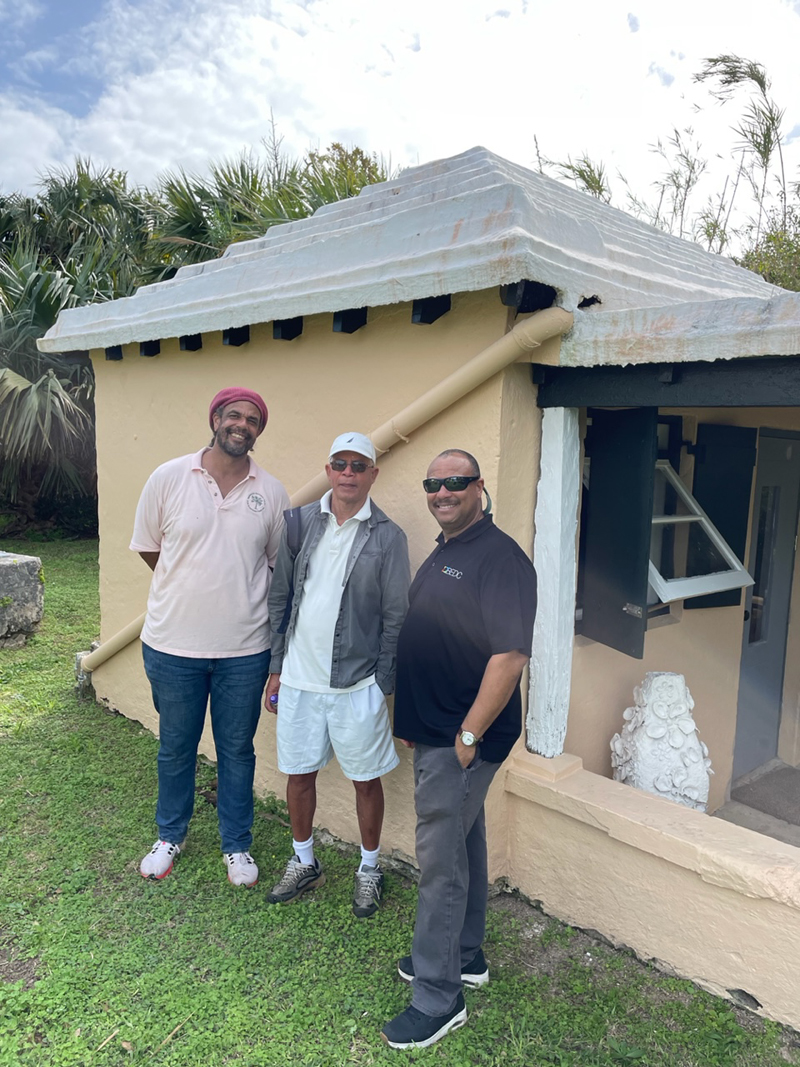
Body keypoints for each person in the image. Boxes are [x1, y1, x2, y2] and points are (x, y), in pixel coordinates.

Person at [381, 449, 537, 1049]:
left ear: (478, 487)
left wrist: (468, 735)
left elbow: (510, 656)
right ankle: (466, 954)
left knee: (440, 863)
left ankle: (438, 997)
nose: (442, 492)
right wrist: (416, 717)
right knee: (463, 840)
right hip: (439, 729)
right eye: (433, 483)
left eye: (454, 482)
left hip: (465, 739)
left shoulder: (501, 559)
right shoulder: (450, 547)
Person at [130, 387, 289, 887]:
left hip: (245, 651)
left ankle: (236, 845)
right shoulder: (169, 477)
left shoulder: (272, 492)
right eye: (233, 415)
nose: (242, 424)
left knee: (237, 750)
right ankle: (169, 836)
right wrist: (189, 584)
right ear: (216, 419)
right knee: (176, 746)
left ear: (258, 431)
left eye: (252, 420)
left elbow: (274, 565)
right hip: (172, 645)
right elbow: (150, 548)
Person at [265, 432, 410, 917]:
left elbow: (396, 616)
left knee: (365, 780)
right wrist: (276, 668)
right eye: (340, 464)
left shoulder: (388, 537)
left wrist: (382, 684)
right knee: (298, 773)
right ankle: (303, 861)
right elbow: (281, 599)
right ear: (328, 470)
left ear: (373, 474)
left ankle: (369, 869)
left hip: (357, 685)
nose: (349, 473)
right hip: (299, 679)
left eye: (358, 465)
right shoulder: (298, 523)